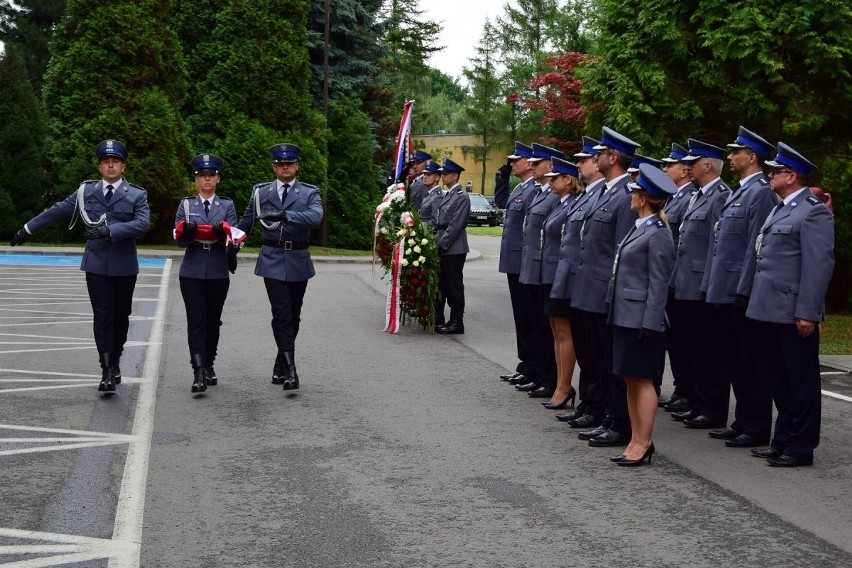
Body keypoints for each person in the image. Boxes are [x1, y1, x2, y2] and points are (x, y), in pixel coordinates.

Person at [10, 139, 150, 393]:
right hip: (96, 265)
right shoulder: (86, 192)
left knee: (121, 317)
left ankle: (115, 359)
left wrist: (110, 230)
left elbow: (142, 224)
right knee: (103, 316)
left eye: (115, 162)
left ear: (123, 167)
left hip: (123, 265)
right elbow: (59, 210)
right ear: (99, 167)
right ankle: (106, 369)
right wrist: (28, 228)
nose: (110, 166)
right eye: (106, 162)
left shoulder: (137, 194)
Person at [747, 143, 834, 467]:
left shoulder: (813, 210)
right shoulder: (781, 206)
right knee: (778, 379)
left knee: (801, 381)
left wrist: (808, 311)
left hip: (793, 311)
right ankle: (782, 438)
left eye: (776, 171)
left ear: (791, 176)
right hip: (770, 309)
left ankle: (801, 446)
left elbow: (818, 265)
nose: (770, 175)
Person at [703, 127, 776, 447]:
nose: (730, 157)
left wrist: (744, 290)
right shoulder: (741, 190)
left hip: (740, 289)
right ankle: (743, 418)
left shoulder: (760, 191)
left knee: (751, 360)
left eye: (736, 153)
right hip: (727, 286)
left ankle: (757, 424)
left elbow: (754, 246)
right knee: (734, 357)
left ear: (753, 157)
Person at [569, 127, 640, 448]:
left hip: (605, 292)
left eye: (600, 154)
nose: (595, 158)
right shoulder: (606, 192)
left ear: (613, 158)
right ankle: (605, 413)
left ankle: (618, 421)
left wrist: (612, 293)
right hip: (590, 289)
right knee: (597, 358)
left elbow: (621, 253)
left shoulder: (626, 195)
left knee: (612, 363)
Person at [236, 143, 323, 390]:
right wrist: (232, 246)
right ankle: (291, 369)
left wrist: (287, 216)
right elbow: (247, 222)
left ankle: (279, 361)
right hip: (272, 257)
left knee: (294, 315)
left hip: (297, 258)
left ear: (296, 166)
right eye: (280, 164)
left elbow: (316, 217)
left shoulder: (309, 193)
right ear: (274, 167)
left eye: (290, 163)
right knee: (281, 313)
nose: (285, 167)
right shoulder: (260, 193)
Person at [606, 163, 677, 466]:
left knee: (644, 380)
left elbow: (660, 283)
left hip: (642, 319)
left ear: (644, 198)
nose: (631, 195)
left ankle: (644, 442)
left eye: (635, 191)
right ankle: (635, 439)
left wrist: (651, 322)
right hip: (625, 315)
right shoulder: (641, 227)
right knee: (630, 379)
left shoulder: (659, 233)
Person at [668, 139, 731, 428]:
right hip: (686, 281)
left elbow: (717, 246)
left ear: (708, 165)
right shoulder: (697, 195)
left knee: (710, 350)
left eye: (693, 163)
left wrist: (710, 284)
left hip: (703, 284)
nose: (688, 167)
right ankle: (697, 400)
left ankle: (711, 406)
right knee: (693, 346)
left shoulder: (719, 196)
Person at [174, 153, 241, 394]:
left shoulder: (227, 205)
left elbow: (234, 236)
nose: (207, 180)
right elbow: (178, 241)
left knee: (213, 321)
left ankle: (210, 363)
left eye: (211, 175)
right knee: (196, 321)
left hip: (216, 267)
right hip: (191, 268)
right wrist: (188, 233)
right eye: (202, 176)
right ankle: (198, 370)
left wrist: (226, 240)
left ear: (218, 179)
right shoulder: (186, 205)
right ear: (196, 180)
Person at [551, 137, 605, 426]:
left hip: (590, 282)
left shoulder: (604, 195)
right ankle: (587, 401)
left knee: (594, 350)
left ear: (597, 165)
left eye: (584, 160)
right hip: (575, 278)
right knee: (586, 347)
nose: (580, 164)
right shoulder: (587, 196)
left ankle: (596, 404)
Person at [516, 143, 564, 399]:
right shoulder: (539, 193)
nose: (531, 166)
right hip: (532, 267)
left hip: (543, 268)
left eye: (537, 163)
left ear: (550, 166)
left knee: (546, 329)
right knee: (535, 324)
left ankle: (548, 377)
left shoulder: (554, 196)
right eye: (531, 162)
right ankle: (537, 373)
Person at [540, 158, 584, 410]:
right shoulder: (561, 203)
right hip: (552, 274)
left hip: (563, 274)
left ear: (568, 180)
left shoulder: (573, 204)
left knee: (564, 332)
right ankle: (560, 384)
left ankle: (564, 386)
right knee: (556, 331)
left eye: (555, 177)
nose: (550, 180)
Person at [498, 142, 540, 383]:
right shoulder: (520, 189)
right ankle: (525, 363)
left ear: (529, 163)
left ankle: (531, 365)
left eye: (516, 160)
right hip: (513, 261)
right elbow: (501, 201)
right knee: (521, 317)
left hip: (523, 261)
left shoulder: (533, 189)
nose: (512, 164)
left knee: (528, 317)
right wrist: (501, 178)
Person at [658, 143, 696, 412]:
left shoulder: (690, 196)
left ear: (684, 170)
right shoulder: (673, 197)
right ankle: (683, 388)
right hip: (670, 278)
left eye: (670, 165)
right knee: (676, 341)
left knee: (686, 341)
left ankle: (689, 390)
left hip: (680, 277)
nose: (665, 169)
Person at [434, 158, 470, 334]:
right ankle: (449, 320)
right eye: (442, 173)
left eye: (446, 174)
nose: (442, 176)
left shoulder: (461, 197)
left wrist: (442, 244)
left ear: (455, 176)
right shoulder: (448, 194)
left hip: (454, 248)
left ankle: (457, 321)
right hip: (444, 245)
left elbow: (455, 225)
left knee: (454, 285)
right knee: (445, 285)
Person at [417, 159, 443, 227]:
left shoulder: (438, 197)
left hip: (429, 235)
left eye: (428, 174)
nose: (424, 177)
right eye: (424, 174)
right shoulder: (429, 194)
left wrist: (419, 226)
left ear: (437, 178)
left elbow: (435, 222)